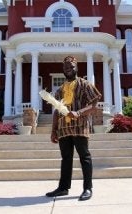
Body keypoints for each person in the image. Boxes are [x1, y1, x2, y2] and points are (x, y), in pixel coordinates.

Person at [45, 56, 102, 201]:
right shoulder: (60, 90)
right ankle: (63, 188)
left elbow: (94, 105)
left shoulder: (85, 84)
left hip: (80, 126)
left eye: (71, 66)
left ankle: (88, 188)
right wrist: (53, 130)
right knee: (66, 158)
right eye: (65, 67)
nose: (68, 69)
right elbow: (57, 111)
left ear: (76, 67)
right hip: (64, 128)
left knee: (84, 157)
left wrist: (79, 112)